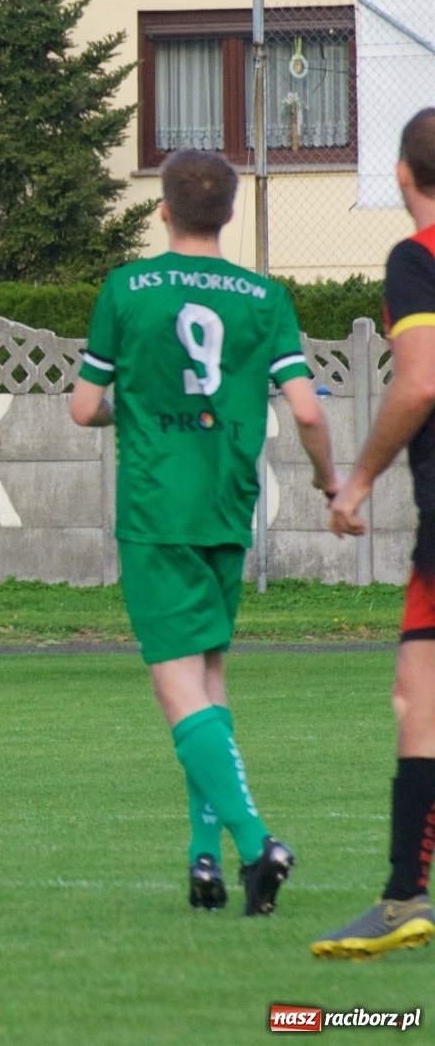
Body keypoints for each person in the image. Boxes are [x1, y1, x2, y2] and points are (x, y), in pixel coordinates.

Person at [70, 149, 340, 914]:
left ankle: (256, 844)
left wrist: (135, 411)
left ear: (163, 209)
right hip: (227, 503)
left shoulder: (127, 289)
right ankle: (202, 858)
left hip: (158, 505)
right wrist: (329, 481)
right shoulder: (265, 297)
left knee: (175, 683)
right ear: (228, 213)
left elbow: (84, 406)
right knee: (209, 676)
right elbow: (308, 409)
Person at [314, 108, 435, 960]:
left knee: (420, 699)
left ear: (400, 175)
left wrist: (355, 480)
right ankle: (403, 892)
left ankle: (402, 898)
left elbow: (421, 380)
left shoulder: (416, 258)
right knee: (417, 688)